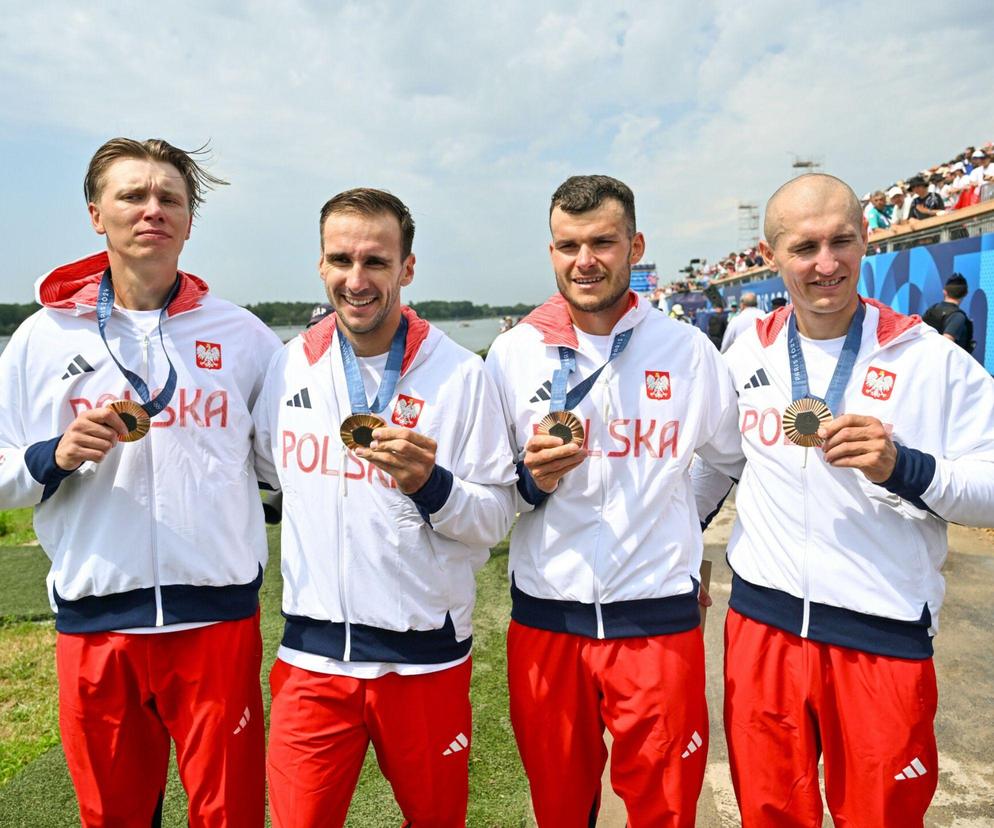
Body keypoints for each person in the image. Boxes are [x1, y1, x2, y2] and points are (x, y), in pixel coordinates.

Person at [693, 173, 994, 826]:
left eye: (843, 242)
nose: (826, 264)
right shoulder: (745, 352)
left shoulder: (927, 359)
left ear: (867, 244)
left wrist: (903, 466)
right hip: (762, 629)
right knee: (770, 814)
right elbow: (717, 465)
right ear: (772, 258)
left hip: (880, 635)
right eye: (805, 247)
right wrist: (674, 547)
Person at [0, 138, 281, 826]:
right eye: (132, 195)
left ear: (189, 222)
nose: (151, 210)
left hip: (215, 621)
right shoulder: (41, 338)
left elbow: (283, 467)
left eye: (169, 199)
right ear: (97, 214)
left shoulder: (244, 336)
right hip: (97, 626)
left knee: (231, 816)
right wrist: (51, 456)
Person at [252, 188, 516, 828]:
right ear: (321, 266)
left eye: (376, 261)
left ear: (407, 267)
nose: (356, 279)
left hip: (423, 660)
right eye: (340, 260)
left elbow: (494, 517)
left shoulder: (458, 374)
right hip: (311, 659)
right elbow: (264, 476)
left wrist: (431, 484)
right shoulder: (288, 369)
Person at [485, 174, 743, 827]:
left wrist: (681, 518)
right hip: (548, 622)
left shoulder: (686, 350)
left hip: (656, 623)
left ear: (636, 245)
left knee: (664, 812)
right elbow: (488, 488)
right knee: (560, 810)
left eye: (603, 241)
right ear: (552, 252)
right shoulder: (513, 355)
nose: (586, 260)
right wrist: (530, 479)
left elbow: (725, 456)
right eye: (569, 245)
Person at [923, 273, 974, 353]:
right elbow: (945, 344)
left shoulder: (932, 309)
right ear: (965, 293)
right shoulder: (958, 316)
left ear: (944, 292)